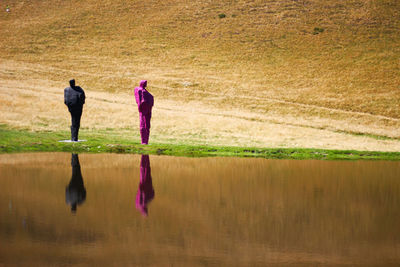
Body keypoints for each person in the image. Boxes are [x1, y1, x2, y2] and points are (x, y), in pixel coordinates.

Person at [134, 80, 154, 144]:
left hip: (148, 110)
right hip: (144, 110)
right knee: (143, 125)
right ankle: (143, 141)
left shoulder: (144, 91)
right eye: (145, 83)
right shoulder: (139, 90)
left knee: (147, 126)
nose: (146, 84)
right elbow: (141, 101)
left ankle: (146, 141)